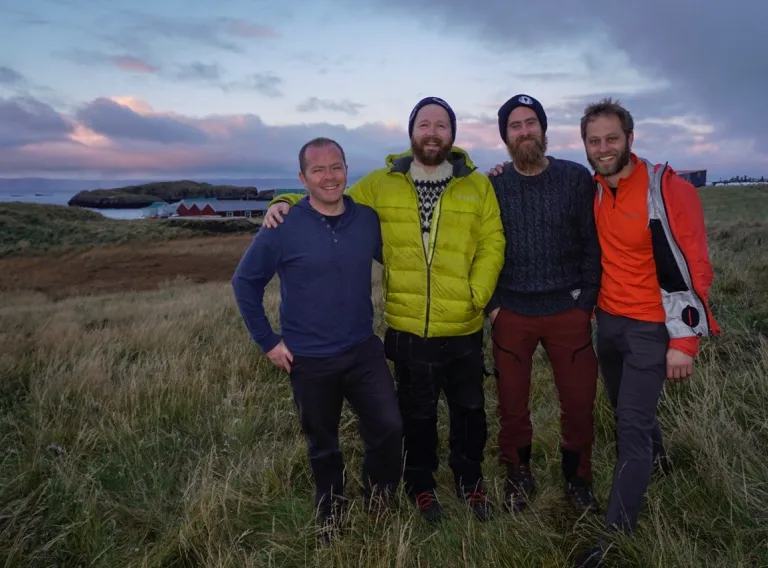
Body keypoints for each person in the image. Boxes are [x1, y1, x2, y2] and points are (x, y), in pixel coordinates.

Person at [262, 97, 506, 523]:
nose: (433, 132)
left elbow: (493, 241)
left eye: (441, 125)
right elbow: (330, 197)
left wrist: (477, 294)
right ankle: (422, 485)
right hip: (408, 326)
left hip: (464, 324)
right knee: (417, 414)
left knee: (470, 410)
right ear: (412, 132)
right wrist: (282, 200)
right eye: (424, 124)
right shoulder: (381, 183)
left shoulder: (477, 185)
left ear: (453, 133)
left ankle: (470, 481)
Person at [231, 137, 403, 546]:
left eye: (337, 167)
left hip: (363, 349)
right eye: (319, 170)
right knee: (323, 443)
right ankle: (332, 510)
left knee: (389, 428)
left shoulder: (366, 220)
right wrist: (269, 342)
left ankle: (378, 497)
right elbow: (245, 282)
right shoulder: (283, 225)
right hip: (308, 358)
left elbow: (401, 259)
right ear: (303, 177)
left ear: (347, 169)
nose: (330, 177)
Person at [573, 98, 721, 567]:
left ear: (630, 139)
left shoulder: (667, 188)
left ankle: (613, 540)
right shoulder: (594, 189)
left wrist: (684, 342)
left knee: (629, 427)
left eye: (611, 138)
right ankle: (659, 462)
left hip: (652, 328)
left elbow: (695, 267)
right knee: (625, 407)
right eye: (594, 141)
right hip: (609, 324)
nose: (602, 148)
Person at [485, 94, 602, 515]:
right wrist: (494, 306)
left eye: (531, 122)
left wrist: (585, 302)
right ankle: (518, 474)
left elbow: (593, 244)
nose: (524, 131)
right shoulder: (493, 185)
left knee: (578, 403)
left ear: (544, 129)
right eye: (515, 126)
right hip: (511, 314)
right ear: (505, 137)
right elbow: (479, 249)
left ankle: (578, 477)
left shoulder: (574, 179)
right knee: (512, 404)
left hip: (567, 312)